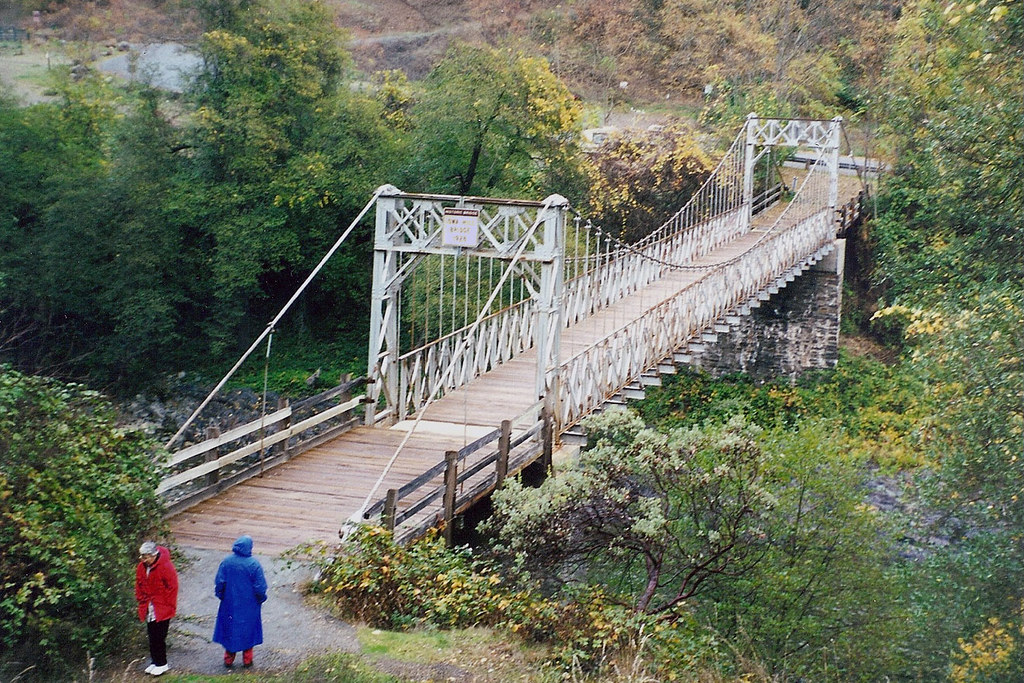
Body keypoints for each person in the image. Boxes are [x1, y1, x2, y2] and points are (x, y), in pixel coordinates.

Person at [213, 535, 268, 668]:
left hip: (229, 603)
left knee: (230, 630)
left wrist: (221, 595)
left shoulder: (227, 562)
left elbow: (220, 582)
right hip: (249, 604)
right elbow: (260, 587)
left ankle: (228, 659)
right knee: (248, 631)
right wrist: (261, 599)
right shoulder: (254, 564)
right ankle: (247, 660)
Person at [135, 541, 179, 677]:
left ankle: (162, 664)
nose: (143, 560)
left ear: (153, 555)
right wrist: (141, 598)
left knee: (159, 637)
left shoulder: (165, 566)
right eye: (142, 557)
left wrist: (166, 604)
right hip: (149, 607)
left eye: (145, 557)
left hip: (161, 608)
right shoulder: (142, 567)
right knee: (152, 635)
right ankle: (155, 661)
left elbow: (173, 587)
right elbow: (139, 584)